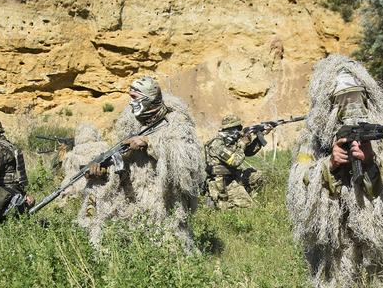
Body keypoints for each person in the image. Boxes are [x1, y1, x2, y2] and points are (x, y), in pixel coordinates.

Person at [286, 54, 383, 287]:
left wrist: (371, 163)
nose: (351, 104)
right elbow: (299, 186)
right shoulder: (313, 140)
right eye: (342, 99)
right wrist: (328, 166)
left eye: (357, 96)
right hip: (339, 251)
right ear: (327, 104)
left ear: (368, 95)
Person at [77, 76, 205, 250]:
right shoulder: (134, 124)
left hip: (163, 201)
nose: (130, 102)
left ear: (149, 98)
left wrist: (149, 143)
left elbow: (187, 161)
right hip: (135, 196)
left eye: (134, 97)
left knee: (168, 248)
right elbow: (128, 167)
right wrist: (104, 173)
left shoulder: (176, 122)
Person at [204, 115, 272, 209]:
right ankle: (218, 203)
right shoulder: (217, 144)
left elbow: (248, 152)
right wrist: (242, 143)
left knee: (256, 176)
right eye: (239, 127)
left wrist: (261, 135)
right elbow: (235, 161)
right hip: (221, 181)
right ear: (230, 128)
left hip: (233, 175)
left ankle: (241, 194)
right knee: (250, 207)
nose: (240, 130)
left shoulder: (231, 139)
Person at [55, 122, 110, 207]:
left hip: (83, 189)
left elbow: (70, 176)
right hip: (106, 188)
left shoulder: (76, 151)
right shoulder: (105, 147)